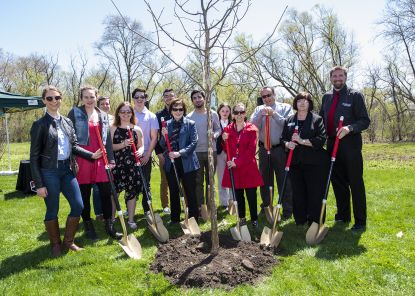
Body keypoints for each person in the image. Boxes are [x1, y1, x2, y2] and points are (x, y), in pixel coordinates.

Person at [30, 85, 101, 257]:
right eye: (49, 98)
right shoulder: (40, 125)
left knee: (78, 205)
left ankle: (69, 241)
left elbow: (74, 146)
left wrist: (91, 155)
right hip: (49, 172)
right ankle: (55, 244)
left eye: (57, 98)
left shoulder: (67, 122)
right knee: (52, 209)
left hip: (67, 170)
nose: (54, 101)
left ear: (61, 99)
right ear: (44, 101)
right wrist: (39, 184)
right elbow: (34, 156)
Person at [319, 66, 370, 231]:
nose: (337, 78)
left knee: (355, 182)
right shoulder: (326, 97)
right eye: (334, 76)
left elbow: (364, 121)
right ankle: (343, 215)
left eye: (340, 75)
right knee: (338, 182)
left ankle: (360, 221)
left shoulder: (355, 96)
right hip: (332, 144)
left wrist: (350, 128)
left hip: (350, 145)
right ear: (330, 78)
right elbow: (321, 120)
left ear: (345, 77)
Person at [68, 86, 121, 240]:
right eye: (86, 97)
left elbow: (108, 140)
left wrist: (111, 159)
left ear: (96, 97)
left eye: (92, 97)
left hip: (101, 158)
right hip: (83, 158)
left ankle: (109, 226)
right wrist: (78, 158)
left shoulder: (103, 115)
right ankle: (88, 226)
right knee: (84, 194)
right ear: (82, 98)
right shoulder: (75, 113)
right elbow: (71, 140)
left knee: (105, 193)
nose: (89, 100)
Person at [281, 92, 329, 226]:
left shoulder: (317, 119)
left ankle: (315, 221)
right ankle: (300, 219)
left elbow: (321, 140)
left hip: (314, 163)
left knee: (314, 192)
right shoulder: (289, 120)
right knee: (298, 192)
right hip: (295, 163)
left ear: (310, 103)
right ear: (295, 103)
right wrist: (287, 144)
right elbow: (282, 139)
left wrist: (302, 141)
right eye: (299, 100)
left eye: (305, 101)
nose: (302, 103)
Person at [250, 86, 294, 219]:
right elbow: (252, 126)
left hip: (280, 148)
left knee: (284, 179)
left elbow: (288, 125)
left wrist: (274, 114)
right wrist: (260, 114)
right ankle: (267, 206)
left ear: (274, 94)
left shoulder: (285, 107)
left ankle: (287, 209)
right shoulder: (258, 109)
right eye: (263, 97)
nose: (267, 98)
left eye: (269, 95)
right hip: (264, 148)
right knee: (265, 179)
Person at [222, 103, 264, 227]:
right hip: (234, 169)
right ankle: (242, 218)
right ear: (233, 115)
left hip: (247, 167)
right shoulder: (228, 129)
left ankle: (254, 219)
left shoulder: (252, 129)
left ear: (245, 113)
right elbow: (226, 148)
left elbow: (251, 151)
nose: (239, 115)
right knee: (238, 195)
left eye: (241, 112)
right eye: (236, 112)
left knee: (251, 195)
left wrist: (237, 162)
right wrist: (224, 140)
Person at [159, 98, 200, 224]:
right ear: (171, 111)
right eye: (175, 109)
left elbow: (194, 142)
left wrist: (179, 153)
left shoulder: (190, 123)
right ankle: (175, 218)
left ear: (184, 110)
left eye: (180, 109)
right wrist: (162, 134)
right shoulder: (166, 124)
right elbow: (162, 144)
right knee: (174, 191)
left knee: (190, 191)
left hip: (187, 163)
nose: (178, 111)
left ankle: (193, 218)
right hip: (171, 163)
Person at [110, 102, 145, 230]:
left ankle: (130, 220)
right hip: (117, 165)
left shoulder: (137, 129)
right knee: (115, 193)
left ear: (132, 113)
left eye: (128, 112)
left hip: (132, 166)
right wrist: (123, 144)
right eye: (123, 112)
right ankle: (112, 219)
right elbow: (109, 148)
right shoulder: (113, 128)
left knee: (132, 192)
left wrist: (141, 151)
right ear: (118, 113)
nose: (125, 114)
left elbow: (141, 145)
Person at [186, 90, 221, 213]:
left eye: (199, 97)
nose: (197, 99)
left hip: (212, 151)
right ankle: (201, 207)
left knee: (210, 181)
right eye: (194, 98)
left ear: (204, 98)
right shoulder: (189, 117)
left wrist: (214, 135)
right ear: (192, 101)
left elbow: (218, 129)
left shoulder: (212, 114)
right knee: (198, 181)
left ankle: (210, 206)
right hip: (196, 153)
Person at [132, 88, 159, 212]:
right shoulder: (128, 114)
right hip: (129, 155)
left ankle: (147, 210)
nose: (139, 99)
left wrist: (148, 155)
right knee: (131, 183)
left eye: (141, 97)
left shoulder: (151, 116)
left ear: (145, 99)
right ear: (133, 99)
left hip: (145, 155)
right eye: (136, 97)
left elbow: (154, 138)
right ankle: (130, 209)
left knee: (145, 183)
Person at [92, 96, 113, 221]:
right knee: (96, 188)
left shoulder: (112, 119)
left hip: (109, 155)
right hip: (96, 154)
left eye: (107, 104)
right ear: (98, 106)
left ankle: (108, 214)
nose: (105, 106)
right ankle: (99, 212)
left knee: (107, 188)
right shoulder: (95, 117)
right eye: (102, 104)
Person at [155, 89, 175, 214]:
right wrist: (159, 153)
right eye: (166, 96)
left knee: (181, 179)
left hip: (178, 151)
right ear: (163, 98)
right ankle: (165, 205)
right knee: (165, 179)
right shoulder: (158, 115)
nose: (168, 98)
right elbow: (155, 136)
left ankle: (184, 204)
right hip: (164, 152)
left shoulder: (179, 111)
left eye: (171, 96)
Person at [216, 103, 232, 209]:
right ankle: (224, 202)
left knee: (232, 176)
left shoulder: (233, 123)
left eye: (227, 111)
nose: (225, 113)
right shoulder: (215, 123)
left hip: (231, 152)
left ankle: (232, 200)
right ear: (219, 112)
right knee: (221, 177)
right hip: (220, 152)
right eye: (223, 111)